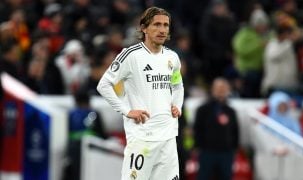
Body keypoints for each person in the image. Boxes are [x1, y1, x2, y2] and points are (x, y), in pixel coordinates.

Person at [97, 6, 184, 180]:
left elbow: (177, 85)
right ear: (144, 28)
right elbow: (104, 85)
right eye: (157, 24)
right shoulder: (131, 55)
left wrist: (177, 105)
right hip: (142, 139)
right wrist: (127, 111)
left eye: (166, 25)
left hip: (168, 138)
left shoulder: (172, 57)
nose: (162, 30)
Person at [193, 77, 239, 180]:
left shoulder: (231, 111)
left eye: (223, 88)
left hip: (226, 153)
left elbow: (235, 131)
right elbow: (197, 129)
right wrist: (197, 147)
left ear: (228, 90)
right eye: (218, 88)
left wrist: (234, 148)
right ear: (213, 89)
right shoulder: (203, 109)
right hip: (207, 152)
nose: (221, 91)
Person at [63, 91, 107, 180]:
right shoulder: (94, 114)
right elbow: (102, 134)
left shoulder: (71, 114)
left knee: (75, 172)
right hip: (92, 148)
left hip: (73, 149)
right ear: (89, 101)